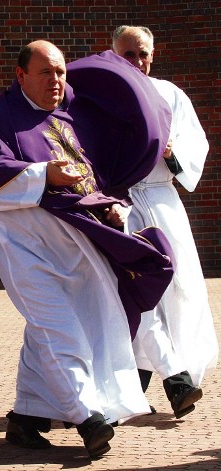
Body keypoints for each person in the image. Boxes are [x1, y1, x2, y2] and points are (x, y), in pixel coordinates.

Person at [0, 40, 174, 459]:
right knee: (61, 329)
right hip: (27, 247)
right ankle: (89, 418)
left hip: (79, 245)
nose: (56, 81)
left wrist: (110, 209)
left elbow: (93, 179)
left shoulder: (73, 117)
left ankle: (26, 418)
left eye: (61, 72)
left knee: (49, 330)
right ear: (21, 75)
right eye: (46, 72)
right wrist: (44, 174)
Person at [113, 25, 218, 418]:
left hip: (162, 199)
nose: (137, 62)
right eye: (127, 54)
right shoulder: (102, 95)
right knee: (136, 292)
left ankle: (180, 374)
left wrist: (173, 154)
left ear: (153, 54)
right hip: (122, 206)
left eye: (142, 54)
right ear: (113, 54)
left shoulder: (171, 94)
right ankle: (150, 383)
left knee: (180, 289)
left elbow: (196, 144)